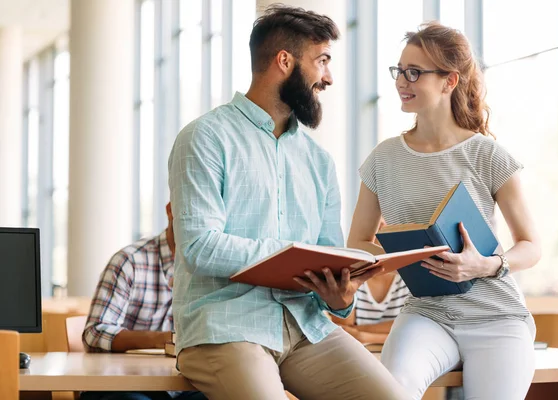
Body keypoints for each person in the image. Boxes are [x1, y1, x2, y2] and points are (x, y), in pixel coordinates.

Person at [168, 5, 408, 400]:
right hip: (225, 327)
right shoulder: (204, 138)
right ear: (284, 61)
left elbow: (329, 254)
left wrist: (341, 295)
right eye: (322, 61)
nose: (328, 77)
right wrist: (291, 255)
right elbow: (198, 247)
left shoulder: (319, 161)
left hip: (306, 327)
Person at [347, 22, 541, 400]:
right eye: (399, 71)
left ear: (449, 81)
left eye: (414, 72)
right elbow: (357, 241)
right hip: (426, 313)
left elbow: (531, 245)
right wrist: (399, 257)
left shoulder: (487, 155)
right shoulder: (382, 160)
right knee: (387, 393)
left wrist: (486, 265)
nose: (402, 81)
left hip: (497, 316)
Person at [81, 203, 206, 400]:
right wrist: (163, 339)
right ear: (170, 209)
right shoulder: (129, 261)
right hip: (124, 385)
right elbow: (95, 333)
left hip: (185, 385)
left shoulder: (212, 266)